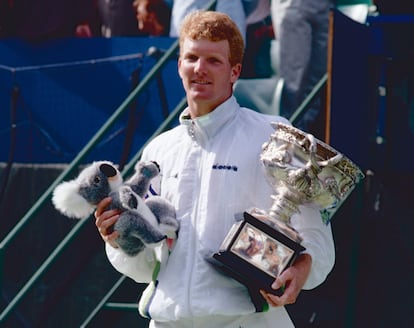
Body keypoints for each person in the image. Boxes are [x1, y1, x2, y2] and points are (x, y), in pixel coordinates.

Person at [95, 10, 335, 327]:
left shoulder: (275, 135)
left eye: (214, 60)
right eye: (192, 57)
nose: (200, 69)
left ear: (234, 71)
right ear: (179, 64)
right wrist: (117, 239)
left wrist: (304, 267)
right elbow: (143, 268)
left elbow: (317, 241)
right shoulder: (158, 150)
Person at [270, 0, 332, 137]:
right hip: (293, 4)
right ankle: (288, 139)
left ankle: (306, 141)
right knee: (293, 80)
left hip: (325, 6)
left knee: (318, 80)